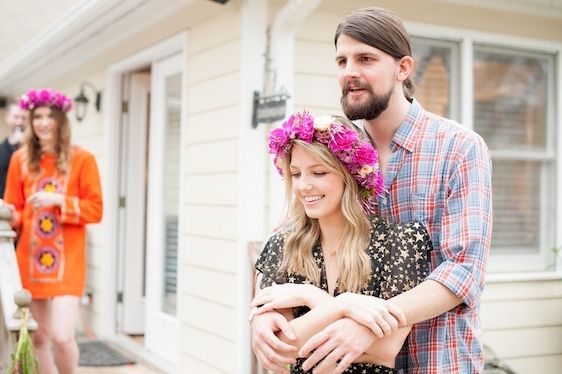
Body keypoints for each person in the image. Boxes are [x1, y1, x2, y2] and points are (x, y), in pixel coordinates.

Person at [251, 7, 493, 374]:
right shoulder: (337, 151)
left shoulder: (459, 147)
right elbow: (289, 234)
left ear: (403, 68)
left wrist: (364, 322)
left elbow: (463, 271)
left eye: (365, 58)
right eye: (342, 60)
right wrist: (262, 315)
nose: (350, 71)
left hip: (438, 359)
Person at [251, 111, 433, 373]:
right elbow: (280, 348)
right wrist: (343, 305)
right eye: (297, 174)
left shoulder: (400, 242)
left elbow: (385, 348)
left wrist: (310, 297)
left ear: (350, 175)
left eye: (318, 172)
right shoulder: (282, 246)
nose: (303, 186)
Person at [4, 88, 103, 374]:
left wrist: (59, 201)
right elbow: (16, 212)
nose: (43, 122)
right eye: (38, 117)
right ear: (30, 121)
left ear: (61, 120)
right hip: (31, 261)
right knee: (40, 337)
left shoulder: (82, 159)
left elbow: (95, 210)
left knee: (62, 336)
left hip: (68, 262)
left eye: (50, 116)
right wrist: (8, 213)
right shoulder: (19, 160)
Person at [0, 101, 28, 197]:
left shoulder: (35, 151)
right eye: (16, 117)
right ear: (7, 117)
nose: (19, 122)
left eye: (24, 118)